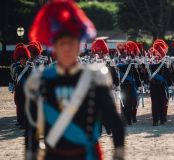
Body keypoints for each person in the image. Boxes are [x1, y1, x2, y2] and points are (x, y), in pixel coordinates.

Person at [24, 0, 125, 160]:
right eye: (61, 43)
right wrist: (30, 155)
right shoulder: (41, 80)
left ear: (79, 46)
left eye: (71, 43)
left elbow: (114, 120)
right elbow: (32, 127)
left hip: (88, 155)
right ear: (53, 47)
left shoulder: (95, 78)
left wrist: (119, 154)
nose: (66, 48)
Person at [146, 40, 173, 126]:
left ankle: (156, 120)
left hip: (155, 85)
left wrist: (146, 83)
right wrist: (170, 85)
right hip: (160, 85)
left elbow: (146, 74)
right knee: (161, 102)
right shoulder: (162, 62)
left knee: (156, 103)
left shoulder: (150, 62)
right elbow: (168, 75)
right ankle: (160, 119)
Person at [12, 46, 32, 128]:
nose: (23, 60)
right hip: (19, 90)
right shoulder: (16, 68)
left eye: (24, 59)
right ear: (19, 60)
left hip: (27, 89)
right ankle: (20, 121)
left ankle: (25, 123)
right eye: (21, 59)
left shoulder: (30, 68)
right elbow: (14, 79)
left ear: (27, 59)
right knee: (19, 105)